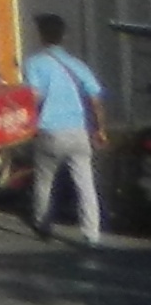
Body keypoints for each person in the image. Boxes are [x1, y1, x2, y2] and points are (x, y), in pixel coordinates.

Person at [21, 13, 108, 245]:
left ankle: (43, 223)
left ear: (41, 35)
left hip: (50, 131)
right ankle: (92, 234)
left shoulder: (34, 63)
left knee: (44, 180)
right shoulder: (77, 65)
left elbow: (35, 97)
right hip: (78, 131)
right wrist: (99, 130)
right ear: (63, 36)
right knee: (85, 184)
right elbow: (96, 99)